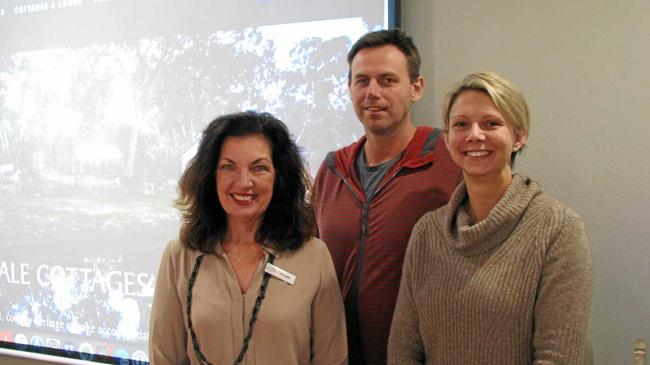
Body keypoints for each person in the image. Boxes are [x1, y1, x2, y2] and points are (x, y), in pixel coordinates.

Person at [388, 71, 593, 364]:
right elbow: (404, 350)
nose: (474, 135)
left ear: (519, 136)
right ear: (447, 139)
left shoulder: (559, 228)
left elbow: (558, 356)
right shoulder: (427, 231)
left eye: (491, 123)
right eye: (461, 124)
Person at [311, 29, 462, 364]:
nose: (372, 92)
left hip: (426, 354)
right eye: (362, 81)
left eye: (388, 80)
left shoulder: (450, 158)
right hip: (338, 354)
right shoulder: (333, 169)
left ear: (416, 88)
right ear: (349, 88)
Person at [149, 111, 347, 365]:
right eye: (228, 167)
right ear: (211, 175)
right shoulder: (179, 256)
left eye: (259, 168)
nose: (243, 182)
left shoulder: (314, 257)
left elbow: (333, 360)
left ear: (279, 177)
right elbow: (164, 358)